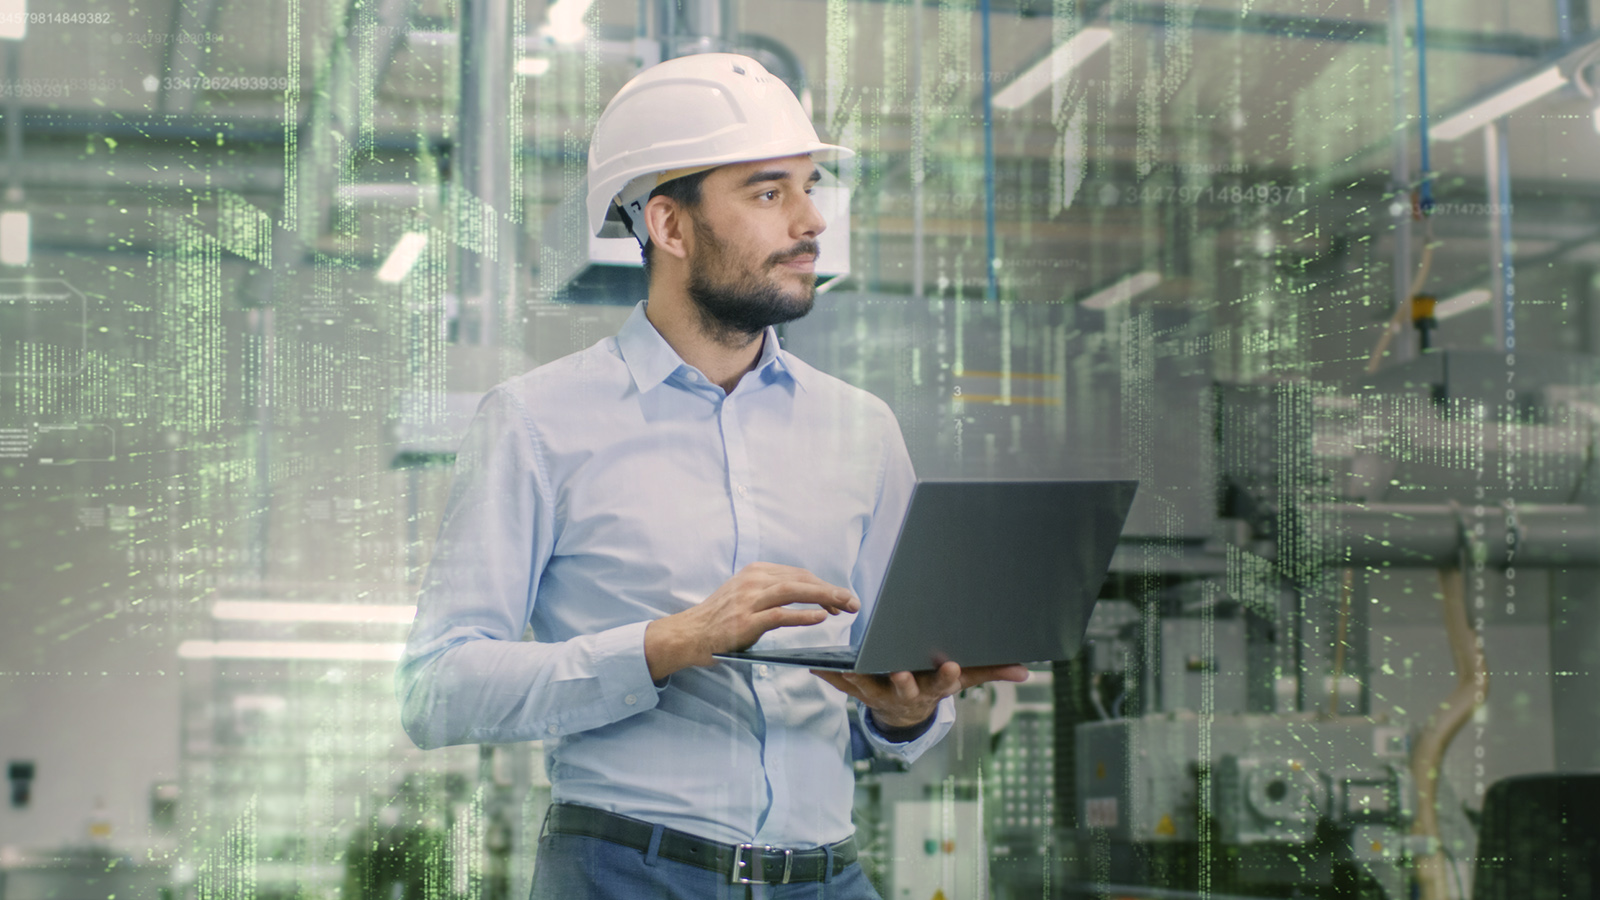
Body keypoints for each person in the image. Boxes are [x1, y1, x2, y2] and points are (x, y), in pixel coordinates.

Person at [396, 52, 1028, 899]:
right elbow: (437, 689)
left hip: (827, 877)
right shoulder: (538, 422)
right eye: (769, 193)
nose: (810, 221)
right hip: (625, 875)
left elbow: (898, 683)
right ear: (670, 225)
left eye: (810, 187)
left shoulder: (862, 428)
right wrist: (668, 644)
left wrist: (907, 711)